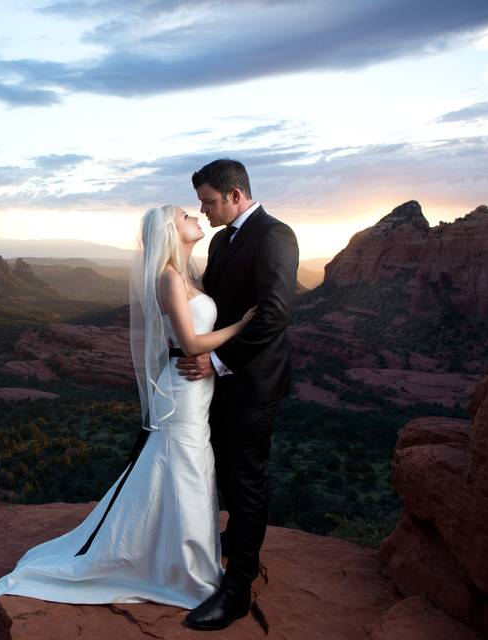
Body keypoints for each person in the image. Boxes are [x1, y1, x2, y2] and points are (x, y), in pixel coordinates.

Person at [0, 204, 254, 616]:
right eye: (185, 217)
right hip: (182, 393)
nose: (195, 217)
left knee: (185, 470)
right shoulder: (168, 278)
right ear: (170, 232)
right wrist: (242, 326)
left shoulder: (187, 274)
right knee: (188, 471)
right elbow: (191, 344)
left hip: (196, 391)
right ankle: (184, 572)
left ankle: (178, 560)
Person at [178, 159, 298, 631]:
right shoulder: (225, 238)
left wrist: (219, 362)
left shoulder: (274, 235)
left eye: (208, 201)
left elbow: (274, 313)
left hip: (251, 383)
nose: (203, 211)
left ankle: (238, 588)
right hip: (217, 380)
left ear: (234, 194)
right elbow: (219, 306)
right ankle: (232, 541)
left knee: (246, 478)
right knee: (223, 471)